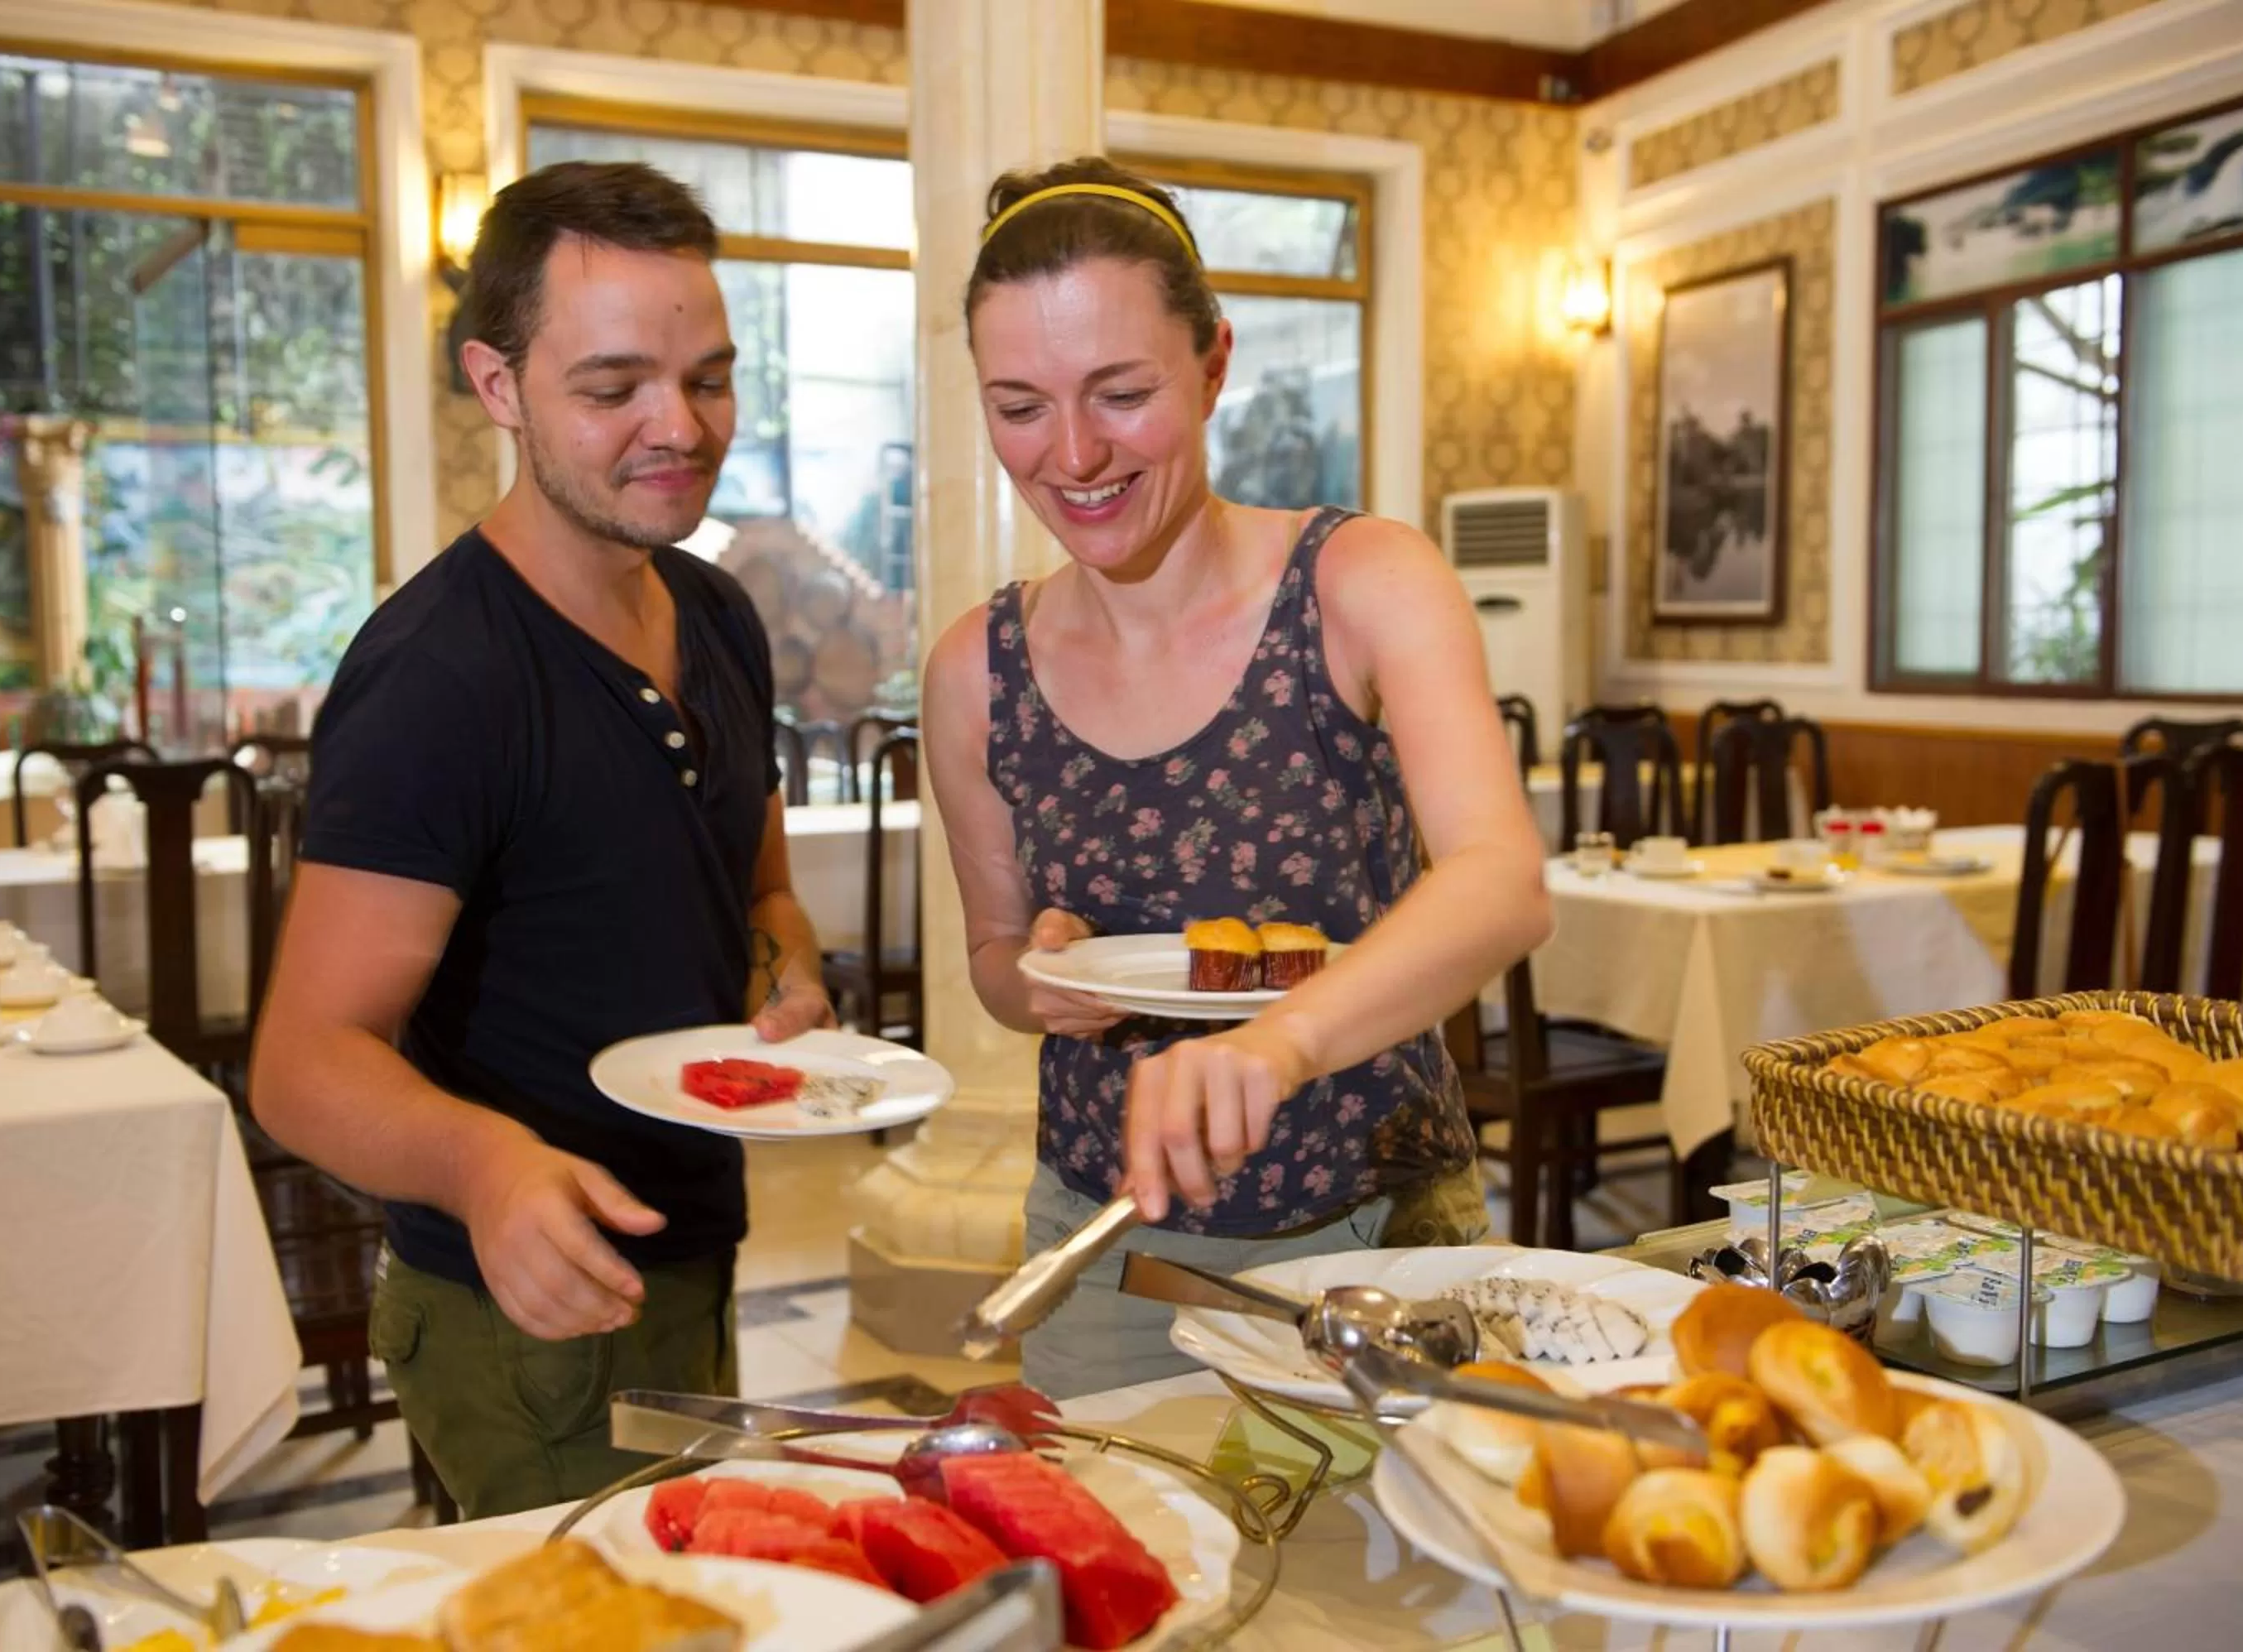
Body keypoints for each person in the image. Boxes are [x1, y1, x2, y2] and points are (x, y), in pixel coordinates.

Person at [250, 162, 832, 1515]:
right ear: (498, 384)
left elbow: (760, 890)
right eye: (613, 387)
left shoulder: (719, 616)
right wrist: (484, 1164)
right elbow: (301, 1063)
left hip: (690, 1248)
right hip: (521, 1310)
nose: (678, 426)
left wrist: (786, 968)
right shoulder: (439, 674)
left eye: (708, 379)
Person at [923, 159, 1553, 1399]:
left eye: (1122, 393)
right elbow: (994, 959)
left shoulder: (1360, 581)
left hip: (1378, 1229)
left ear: (1214, 366)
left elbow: (1502, 882)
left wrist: (1276, 1047)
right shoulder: (974, 670)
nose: (1074, 453)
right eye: (1021, 406)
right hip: (1108, 1239)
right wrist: (1044, 983)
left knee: (1395, 1529)